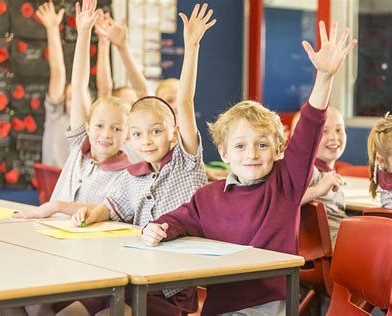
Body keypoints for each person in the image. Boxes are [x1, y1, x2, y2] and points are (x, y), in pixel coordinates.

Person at [142, 21, 356, 315]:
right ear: (224, 152)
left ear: (279, 149)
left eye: (263, 145)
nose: (252, 154)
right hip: (220, 305)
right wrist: (157, 229)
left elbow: (309, 127)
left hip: (268, 305)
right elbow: (176, 220)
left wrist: (324, 77)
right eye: (240, 146)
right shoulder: (208, 197)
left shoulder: (286, 184)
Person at [70, 4, 213, 315]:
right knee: (68, 309)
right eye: (137, 134)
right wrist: (90, 215)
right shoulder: (132, 175)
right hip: (129, 277)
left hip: (168, 289)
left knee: (111, 312)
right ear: (130, 139)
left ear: (174, 134)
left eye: (156, 131)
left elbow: (185, 102)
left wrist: (192, 46)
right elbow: (109, 209)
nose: (146, 140)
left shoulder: (186, 164)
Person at [14, 0, 130, 220]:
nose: (106, 134)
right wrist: (84, 33)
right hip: (55, 233)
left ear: (127, 135)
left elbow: (105, 212)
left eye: (116, 129)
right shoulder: (80, 146)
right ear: (86, 126)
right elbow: (78, 84)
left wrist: (57, 205)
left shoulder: (128, 173)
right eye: (99, 126)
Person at [38, 0, 87, 168]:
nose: (74, 102)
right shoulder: (56, 116)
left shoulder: (95, 127)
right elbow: (58, 73)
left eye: (79, 98)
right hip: (52, 188)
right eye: (70, 98)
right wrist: (52, 29)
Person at [300, 107, 347, 248]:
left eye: (339, 130)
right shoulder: (308, 170)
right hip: (336, 244)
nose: (334, 137)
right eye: (324, 131)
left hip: (341, 239)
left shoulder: (327, 172)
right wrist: (319, 189)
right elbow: (287, 199)